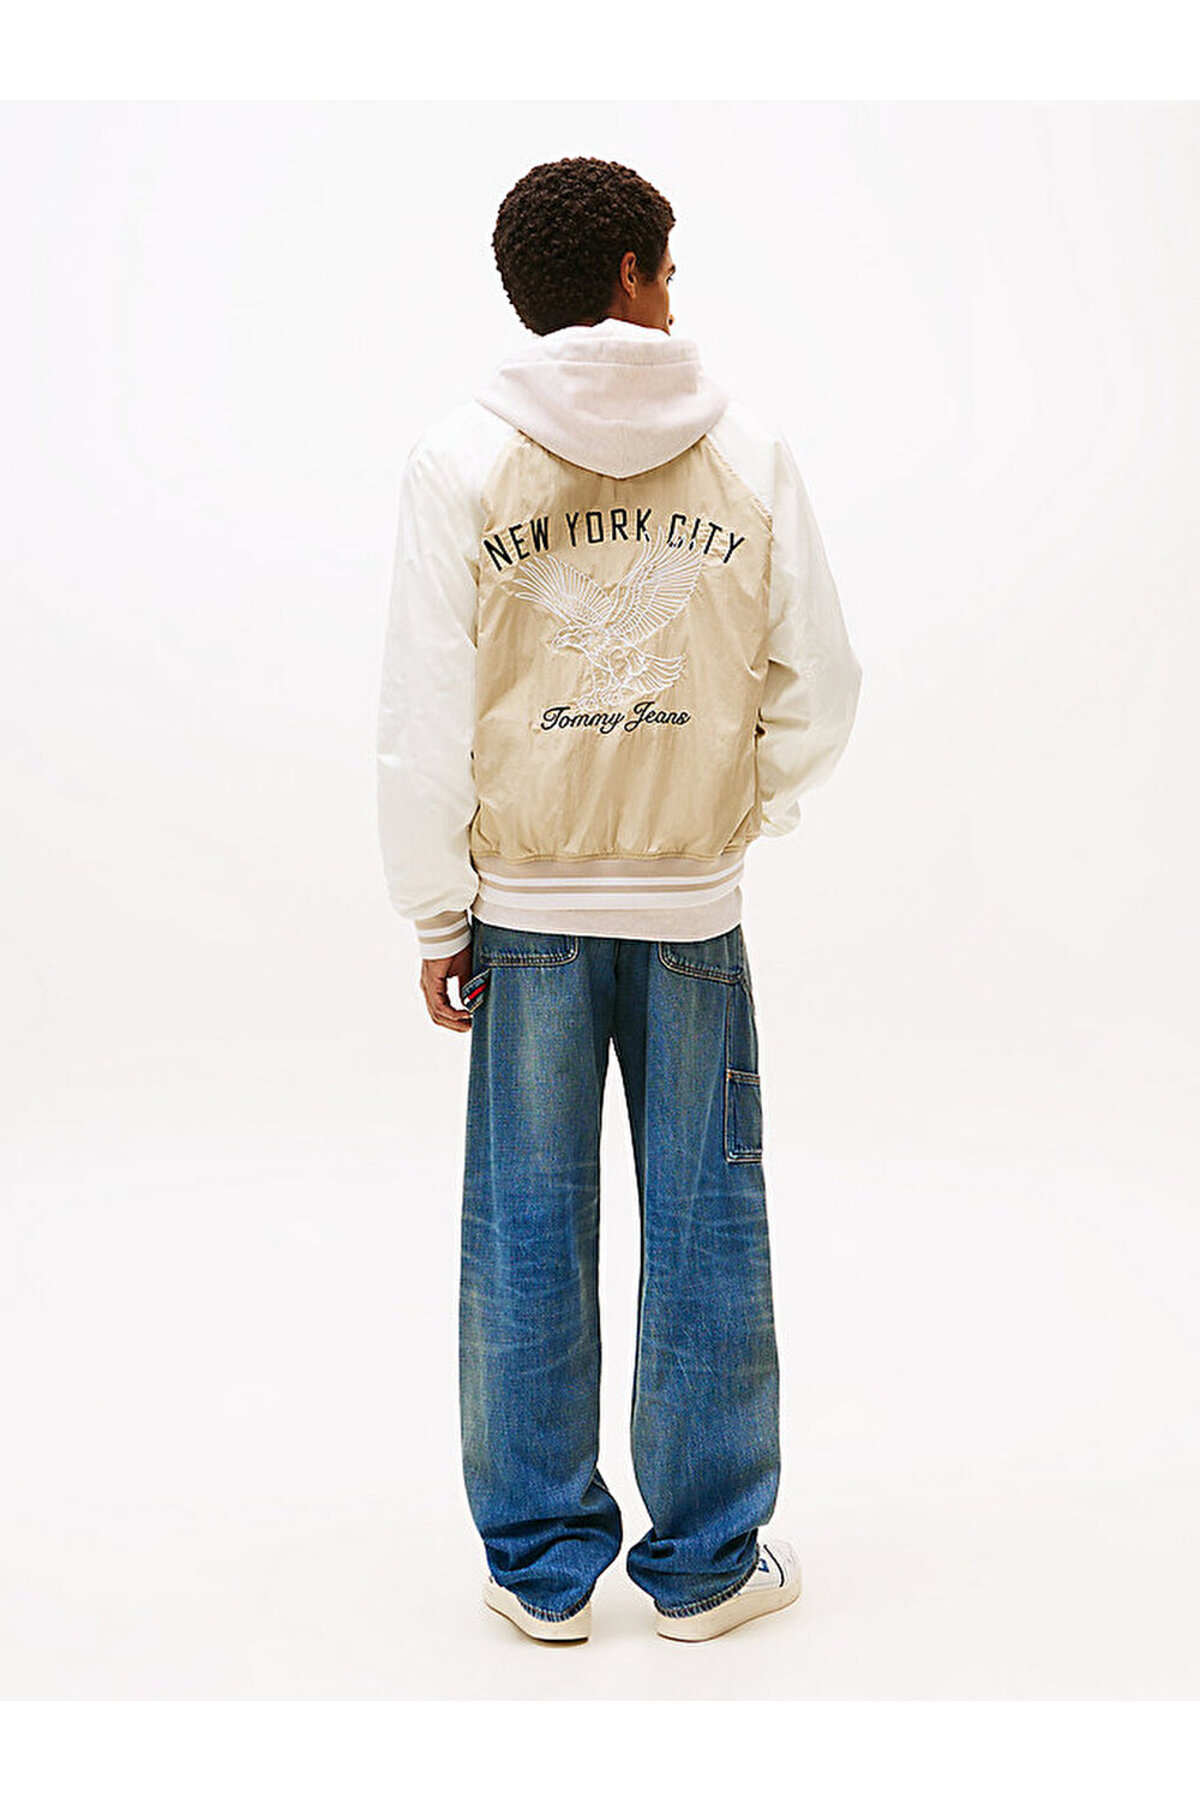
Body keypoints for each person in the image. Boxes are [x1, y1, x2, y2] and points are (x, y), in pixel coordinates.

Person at [375, 156, 863, 1644]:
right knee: (708, 1220)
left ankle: (539, 1569)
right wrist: (735, 811)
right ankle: (708, 1566)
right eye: (671, 265)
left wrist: (438, 912)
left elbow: (423, 713)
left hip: (524, 908)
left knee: (525, 1224)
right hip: (691, 906)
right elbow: (821, 683)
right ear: (639, 272)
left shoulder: (460, 457)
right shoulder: (749, 450)